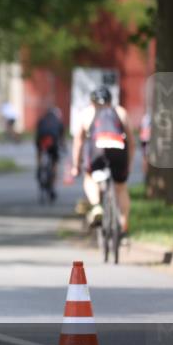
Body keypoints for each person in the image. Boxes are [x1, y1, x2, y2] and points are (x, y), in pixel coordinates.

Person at [70, 86, 134, 234]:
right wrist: (129, 165)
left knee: (90, 177)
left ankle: (97, 205)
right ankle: (124, 223)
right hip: (119, 150)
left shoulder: (87, 113)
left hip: (97, 152)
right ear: (111, 101)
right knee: (121, 187)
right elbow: (131, 142)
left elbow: (78, 142)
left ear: (92, 101)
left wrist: (76, 165)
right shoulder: (120, 112)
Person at [34, 106, 66, 201]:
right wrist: (64, 148)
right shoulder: (58, 122)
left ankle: (39, 167)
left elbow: (37, 133)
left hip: (41, 138)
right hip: (52, 139)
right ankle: (52, 181)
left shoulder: (42, 119)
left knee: (39, 151)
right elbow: (61, 139)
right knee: (55, 160)